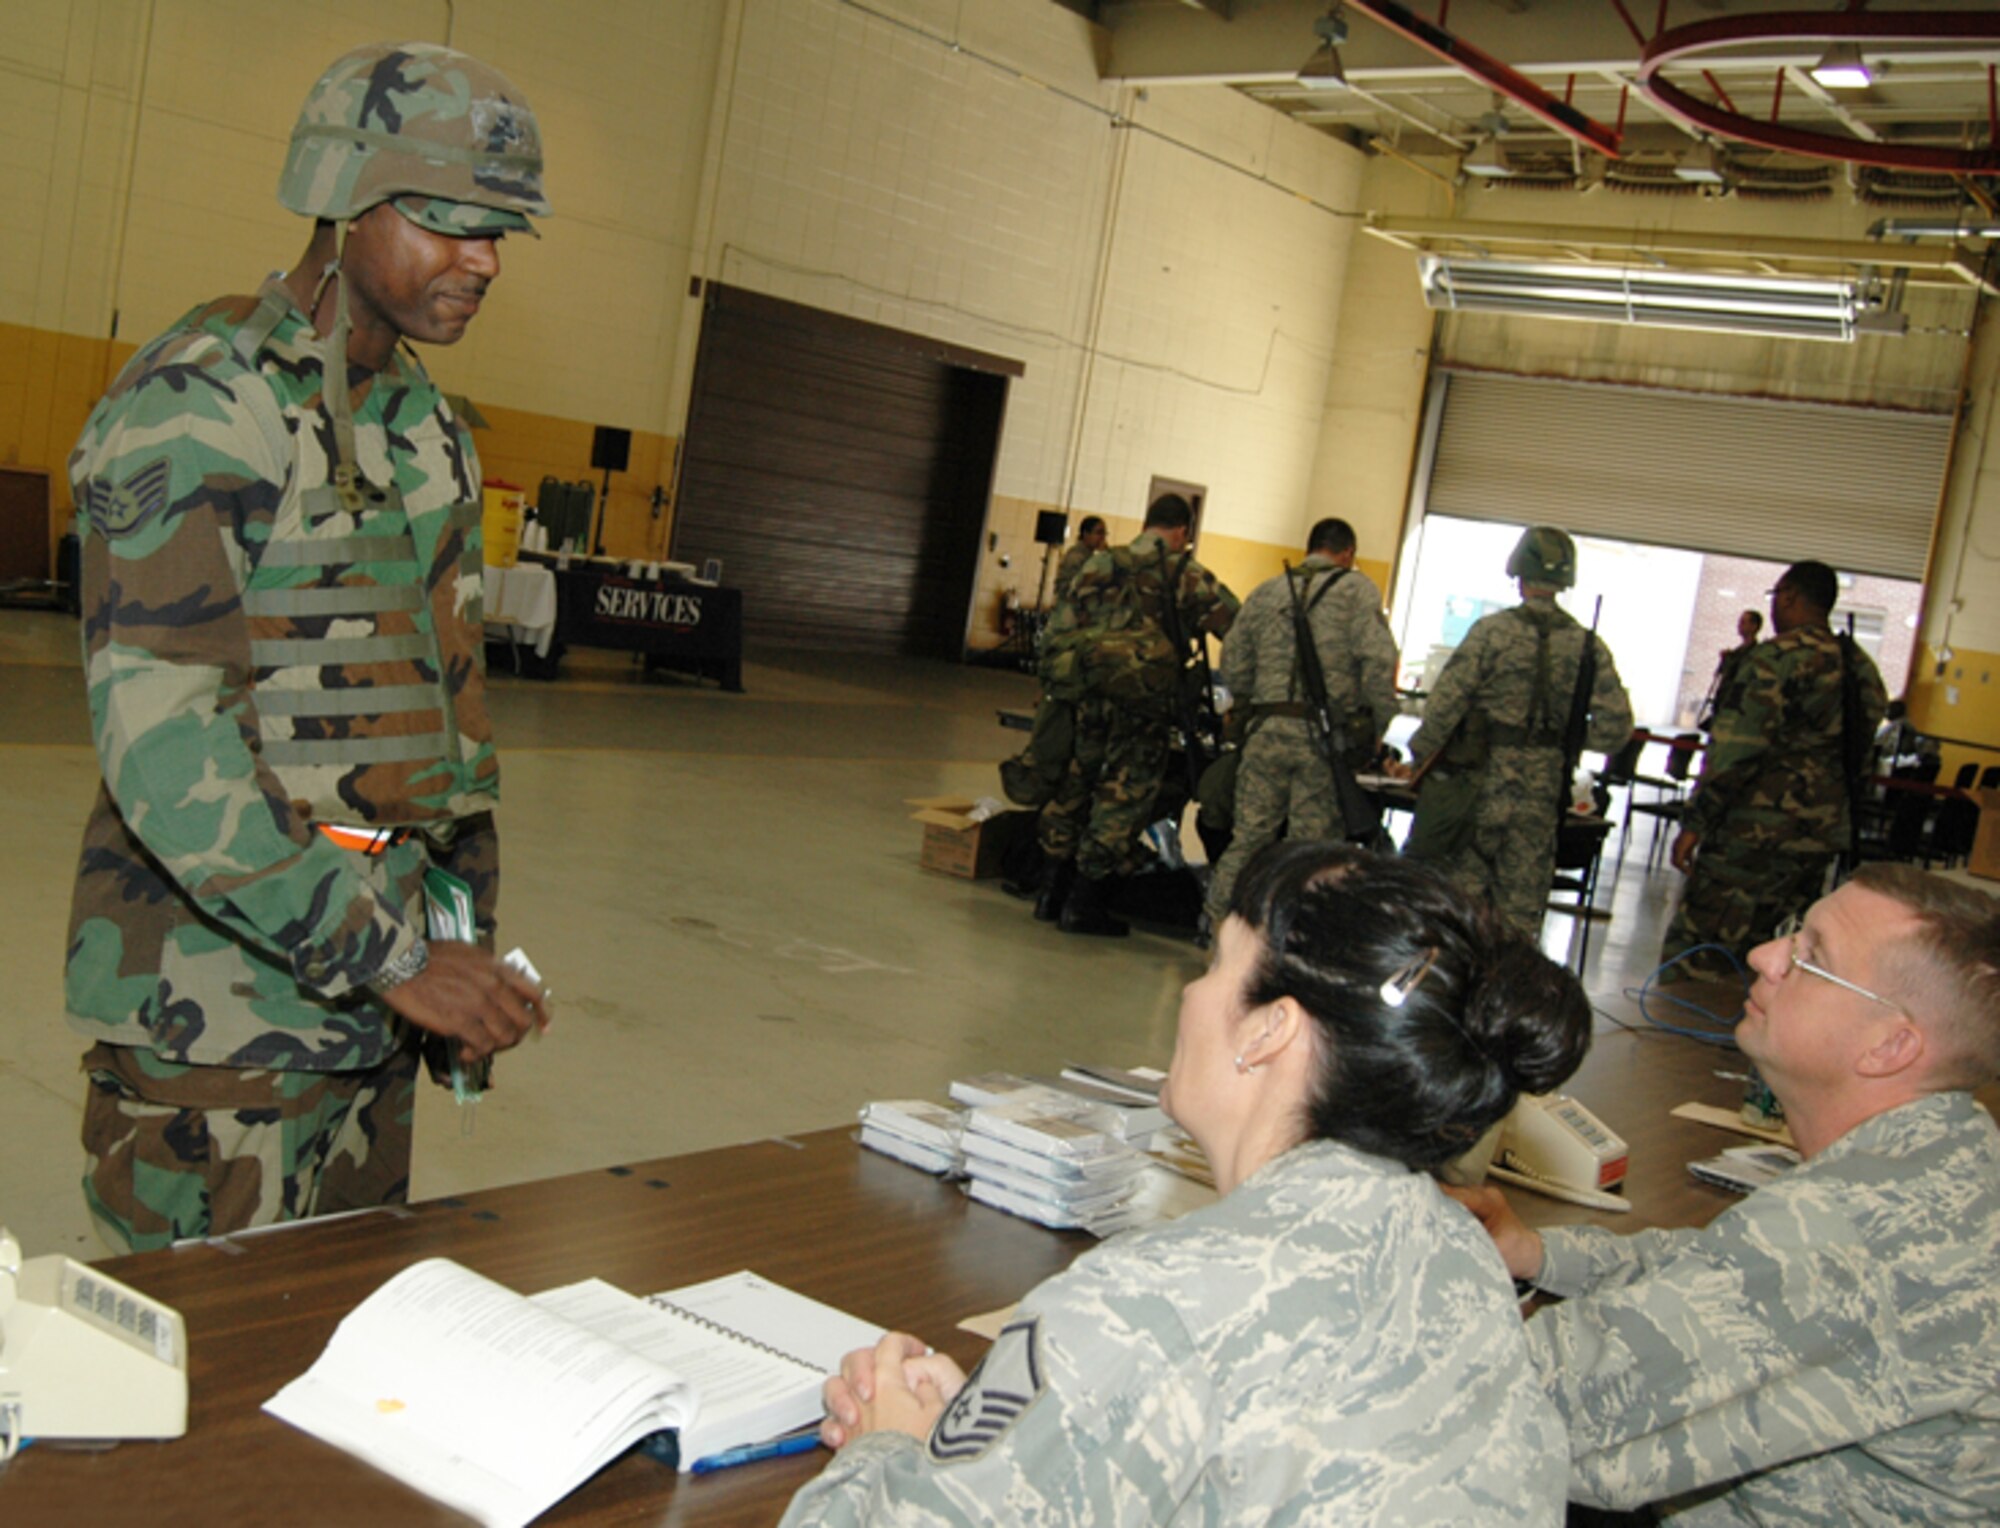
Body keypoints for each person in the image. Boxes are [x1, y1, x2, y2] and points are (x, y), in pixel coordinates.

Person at [65, 42, 554, 1253]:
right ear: (344, 197)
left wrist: (456, 945)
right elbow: (168, 749)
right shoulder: (204, 402)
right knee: (201, 1410)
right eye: (448, 223)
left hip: (370, 1017)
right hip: (222, 1037)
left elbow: (441, 720)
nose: (481, 261)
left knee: (337, 1377)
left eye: (499, 232)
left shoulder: (424, 424)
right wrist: (391, 958)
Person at [780, 843, 1595, 1525]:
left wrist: (888, 1447)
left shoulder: (1144, 1304)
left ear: (1269, 1030)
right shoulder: (1459, 1256)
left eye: (1214, 962)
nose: (1190, 992)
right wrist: (1018, 1433)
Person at [1451, 866, 2000, 1522]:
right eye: (1789, 935)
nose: (1765, 957)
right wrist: (1539, 1254)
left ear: (1889, 1046)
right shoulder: (1949, 1155)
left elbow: (1512, 1406)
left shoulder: (1844, 1234)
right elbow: (1717, 1270)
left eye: (1810, 958)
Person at [1404, 525, 1634, 940]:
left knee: (1459, 910)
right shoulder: (1587, 646)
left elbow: (1443, 709)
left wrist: (1418, 756)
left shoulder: (1491, 633)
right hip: (1541, 799)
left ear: (1519, 574)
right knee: (1520, 922)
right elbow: (1617, 729)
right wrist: (1567, 741)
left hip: (1479, 790)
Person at [1663, 560, 1888, 977]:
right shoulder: (1858, 666)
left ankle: (1677, 1037)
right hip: (1816, 836)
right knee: (1780, 951)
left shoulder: (1776, 659)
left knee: (1702, 950)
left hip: (1753, 833)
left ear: (1790, 596)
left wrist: (1697, 821)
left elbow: (1736, 752)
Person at [1032, 494, 1237, 936]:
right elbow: (1235, 624)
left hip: (1087, 697)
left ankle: (1049, 892)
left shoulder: (1098, 565)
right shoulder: (1186, 574)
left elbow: (1060, 629)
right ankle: (1083, 905)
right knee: (1122, 798)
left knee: (1076, 784)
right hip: (1143, 708)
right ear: (1182, 531)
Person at [1201, 517, 1399, 931]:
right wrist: (1379, 722)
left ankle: (1218, 927)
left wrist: (1256, 700)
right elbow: (1379, 661)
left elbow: (1233, 662)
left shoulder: (1268, 591)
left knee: (1249, 840)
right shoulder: (1356, 590)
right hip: (1321, 742)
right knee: (1307, 852)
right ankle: (1286, 943)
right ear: (1347, 554)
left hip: (1265, 733)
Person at [1696, 608, 1763, 732]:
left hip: (1733, 708)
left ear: (1754, 626)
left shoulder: (1755, 654)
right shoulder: (1737, 652)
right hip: (1722, 703)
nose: (1739, 625)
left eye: (1743, 622)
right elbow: (1721, 674)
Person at [1052, 514, 1107, 603]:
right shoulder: (1077, 556)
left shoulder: (1089, 556)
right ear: (1086, 534)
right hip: (1070, 607)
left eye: (1104, 533)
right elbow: (1076, 586)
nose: (1103, 538)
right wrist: (1105, 555)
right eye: (1099, 533)